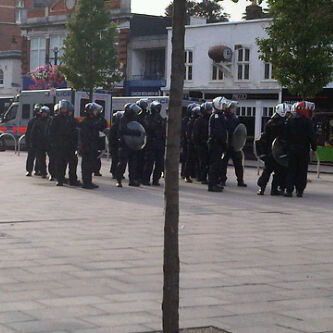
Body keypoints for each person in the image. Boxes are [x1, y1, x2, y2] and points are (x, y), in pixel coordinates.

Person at [284, 101, 317, 198]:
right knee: (302, 170)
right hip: (303, 149)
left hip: (291, 149)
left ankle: (289, 190)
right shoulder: (307, 122)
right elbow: (311, 136)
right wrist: (314, 148)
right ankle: (299, 190)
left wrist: (286, 148)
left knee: (291, 169)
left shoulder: (290, 120)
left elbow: (285, 136)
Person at [257, 103, 289, 195]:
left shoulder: (269, 122)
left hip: (269, 151)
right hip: (279, 151)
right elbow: (284, 138)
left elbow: (265, 137)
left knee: (267, 170)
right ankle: (274, 189)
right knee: (278, 172)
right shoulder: (283, 124)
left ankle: (262, 188)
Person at [49, 100, 79, 187]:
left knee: (73, 164)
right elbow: (51, 132)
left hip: (70, 145)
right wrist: (53, 143)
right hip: (60, 145)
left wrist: (76, 144)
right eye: (62, 108)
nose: (63, 110)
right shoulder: (56, 119)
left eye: (64, 108)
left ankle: (72, 180)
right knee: (60, 164)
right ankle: (60, 179)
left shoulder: (72, 120)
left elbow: (76, 132)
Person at [220, 102, 247, 187]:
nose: (234, 109)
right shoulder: (223, 118)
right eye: (232, 108)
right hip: (226, 145)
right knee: (223, 164)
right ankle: (222, 180)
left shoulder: (235, 118)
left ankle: (240, 180)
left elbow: (239, 131)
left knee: (238, 164)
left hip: (234, 145)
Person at [115, 103, 142, 188]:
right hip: (124, 144)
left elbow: (138, 127)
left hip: (133, 144)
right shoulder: (123, 119)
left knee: (133, 163)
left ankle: (132, 180)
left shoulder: (134, 119)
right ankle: (119, 180)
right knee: (122, 163)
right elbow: (123, 130)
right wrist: (135, 132)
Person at [142, 101, 166, 186]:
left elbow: (164, 131)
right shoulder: (148, 118)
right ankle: (146, 179)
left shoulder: (161, 119)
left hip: (160, 143)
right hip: (151, 143)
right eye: (156, 108)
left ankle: (156, 179)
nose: (157, 110)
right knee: (149, 162)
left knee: (159, 163)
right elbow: (148, 127)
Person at [207, 97, 228, 192]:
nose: (224, 107)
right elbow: (218, 132)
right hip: (215, 144)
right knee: (214, 165)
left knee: (218, 165)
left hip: (219, 144)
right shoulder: (215, 116)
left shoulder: (221, 116)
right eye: (223, 105)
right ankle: (212, 184)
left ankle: (215, 183)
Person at [79, 102, 101, 189]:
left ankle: (89, 181)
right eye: (95, 111)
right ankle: (86, 182)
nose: (96, 112)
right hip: (86, 147)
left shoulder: (94, 121)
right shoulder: (85, 122)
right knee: (86, 165)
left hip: (92, 146)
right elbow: (85, 136)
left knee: (91, 165)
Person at [193, 102, 212, 184]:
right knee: (202, 162)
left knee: (208, 162)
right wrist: (199, 142)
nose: (210, 112)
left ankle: (205, 176)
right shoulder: (199, 121)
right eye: (208, 110)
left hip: (209, 143)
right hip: (201, 144)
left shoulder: (211, 119)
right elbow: (196, 134)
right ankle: (201, 177)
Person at [30, 106, 52, 179]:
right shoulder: (38, 121)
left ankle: (52, 173)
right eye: (42, 113)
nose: (44, 114)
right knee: (41, 159)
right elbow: (33, 132)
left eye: (45, 113)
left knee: (52, 159)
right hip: (40, 143)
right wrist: (33, 142)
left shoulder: (51, 121)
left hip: (49, 143)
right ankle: (43, 172)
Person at [183, 104, 200, 183]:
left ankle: (195, 174)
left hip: (196, 143)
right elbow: (188, 133)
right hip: (190, 143)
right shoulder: (189, 121)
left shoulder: (197, 121)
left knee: (196, 160)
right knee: (189, 160)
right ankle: (186, 175)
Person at [25, 104, 42, 176]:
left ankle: (37, 170)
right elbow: (28, 132)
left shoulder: (42, 120)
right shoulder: (32, 121)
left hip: (40, 142)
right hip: (32, 142)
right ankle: (29, 170)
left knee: (39, 158)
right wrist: (28, 142)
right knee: (31, 157)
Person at [135, 99, 149, 183]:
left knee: (142, 160)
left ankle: (141, 176)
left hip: (144, 140)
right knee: (138, 159)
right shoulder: (136, 117)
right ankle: (137, 176)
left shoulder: (146, 116)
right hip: (138, 140)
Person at [109, 110, 123, 179]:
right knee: (115, 160)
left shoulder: (121, 126)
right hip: (114, 146)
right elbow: (112, 138)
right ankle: (114, 172)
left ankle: (119, 173)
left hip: (119, 145)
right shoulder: (114, 127)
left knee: (120, 160)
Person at [93, 110, 107, 177]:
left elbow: (105, 127)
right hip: (94, 139)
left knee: (98, 156)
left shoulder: (101, 119)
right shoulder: (91, 119)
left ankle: (96, 171)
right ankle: (94, 170)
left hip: (100, 138)